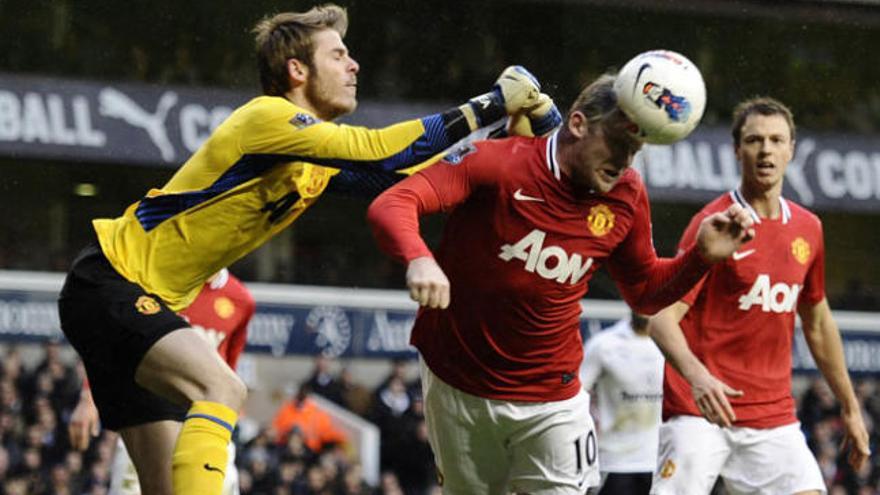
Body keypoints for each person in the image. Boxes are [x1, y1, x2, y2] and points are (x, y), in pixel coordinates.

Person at [56, 3, 553, 494]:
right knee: (223, 388)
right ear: (297, 70)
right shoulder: (267, 117)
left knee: (166, 485)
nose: (353, 65)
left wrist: (502, 141)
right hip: (113, 281)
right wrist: (487, 104)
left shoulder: (309, 161)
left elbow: (398, 177)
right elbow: (384, 149)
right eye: (338, 55)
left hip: (123, 296)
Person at [366, 71, 756, 494]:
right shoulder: (500, 163)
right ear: (577, 124)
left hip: (553, 397)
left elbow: (644, 291)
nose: (626, 160)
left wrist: (699, 257)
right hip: (457, 384)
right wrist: (419, 258)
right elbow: (395, 201)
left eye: (636, 149)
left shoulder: (626, 194)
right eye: (619, 143)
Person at [647, 97, 871, 495]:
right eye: (753, 140)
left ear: (791, 149)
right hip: (698, 412)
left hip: (772, 417)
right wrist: (698, 378)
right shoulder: (712, 223)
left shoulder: (808, 228)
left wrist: (851, 409)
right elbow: (661, 317)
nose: (765, 150)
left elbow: (818, 323)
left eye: (775, 140)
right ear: (737, 150)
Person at [68, 269, 255, 495]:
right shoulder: (158, 279)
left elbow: (229, 369)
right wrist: (88, 396)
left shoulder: (241, 300)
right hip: (148, 416)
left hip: (203, 424)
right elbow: (116, 340)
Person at [580, 311, 663, 494]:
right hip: (615, 461)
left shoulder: (676, 346)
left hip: (662, 461)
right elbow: (577, 395)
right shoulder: (603, 344)